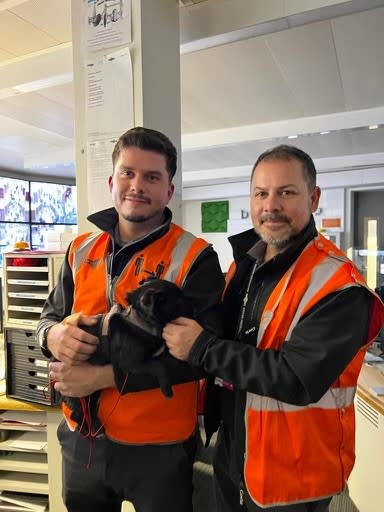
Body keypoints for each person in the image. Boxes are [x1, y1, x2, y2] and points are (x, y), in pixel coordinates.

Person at [163, 145, 384, 512]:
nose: (271, 206)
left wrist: (202, 347)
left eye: (286, 192)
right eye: (261, 193)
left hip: (294, 477)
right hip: (235, 457)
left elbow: (297, 378)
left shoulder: (339, 285)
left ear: (313, 198)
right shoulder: (245, 267)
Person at [36, 126, 224, 512]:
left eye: (152, 177)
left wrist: (106, 378)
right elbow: (48, 317)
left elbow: (204, 356)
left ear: (169, 191)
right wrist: (52, 336)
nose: (137, 186)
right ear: (112, 181)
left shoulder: (195, 257)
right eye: (128, 173)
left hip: (159, 447)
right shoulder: (80, 248)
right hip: (83, 439)